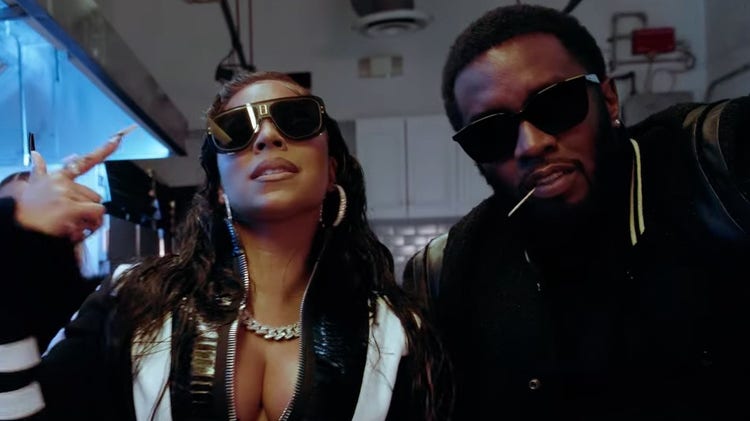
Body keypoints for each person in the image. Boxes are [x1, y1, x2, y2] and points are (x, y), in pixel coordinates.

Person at [1, 70, 451, 420]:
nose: (267, 137)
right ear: (218, 186)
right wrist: (17, 243)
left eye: (296, 120)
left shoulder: (394, 331)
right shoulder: (134, 302)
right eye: (236, 129)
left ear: (332, 169)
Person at [404, 4, 750, 420]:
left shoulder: (716, 164)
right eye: (491, 133)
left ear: (609, 100)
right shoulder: (455, 270)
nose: (531, 145)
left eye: (555, 105)